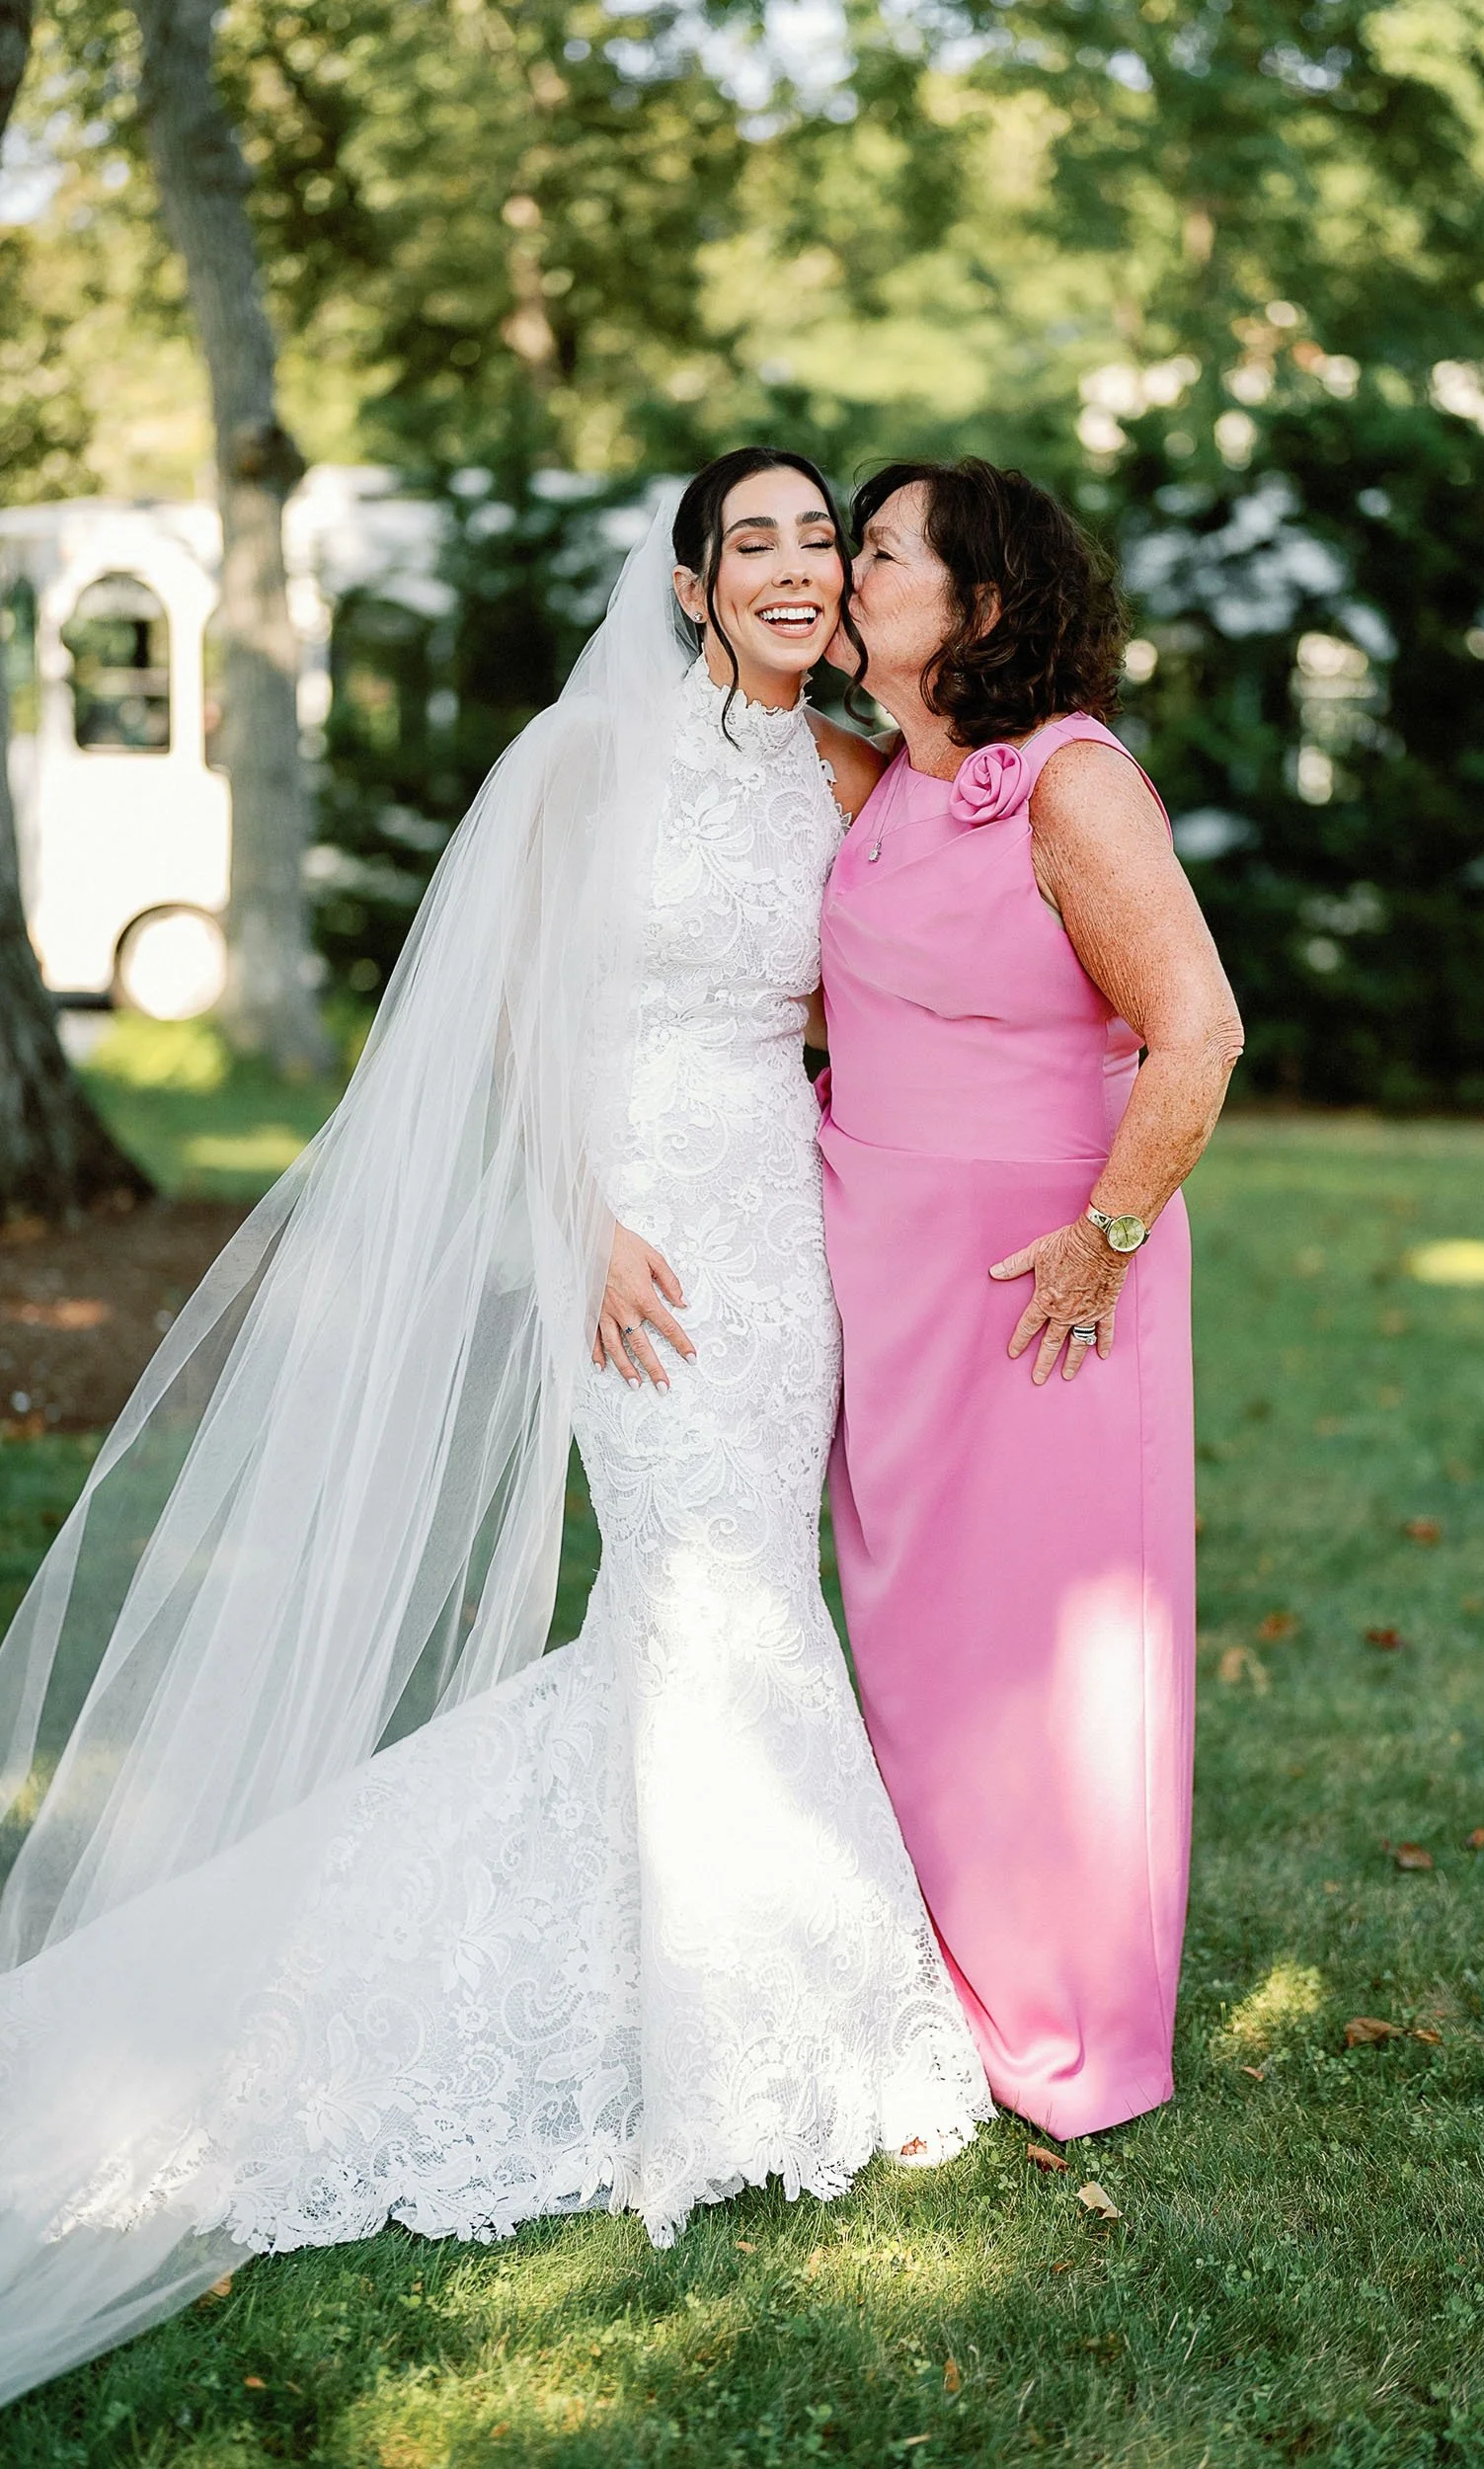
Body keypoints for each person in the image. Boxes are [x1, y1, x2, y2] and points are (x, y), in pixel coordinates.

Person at [0, 450, 988, 2407]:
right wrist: (578, 1220)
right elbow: (520, 1014)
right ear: (694, 584)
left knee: (727, 1598)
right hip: (630, 1226)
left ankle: (747, 1997)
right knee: (699, 1591)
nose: (796, 566)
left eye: (822, 539)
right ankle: (754, 2044)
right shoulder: (583, 760)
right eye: (758, 541)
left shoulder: (854, 780)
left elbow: (899, 991)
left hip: (781, 1229)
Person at [819, 458, 1243, 2141]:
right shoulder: (889, 783)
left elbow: (1195, 1031)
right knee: (920, 1640)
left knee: (1054, 1659)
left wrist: (1106, 1236)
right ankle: (941, 1971)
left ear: (980, 604)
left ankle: (1070, 2024)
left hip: (1051, 1287)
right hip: (888, 1272)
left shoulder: (1071, 789)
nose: (847, 573)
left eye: (878, 552)